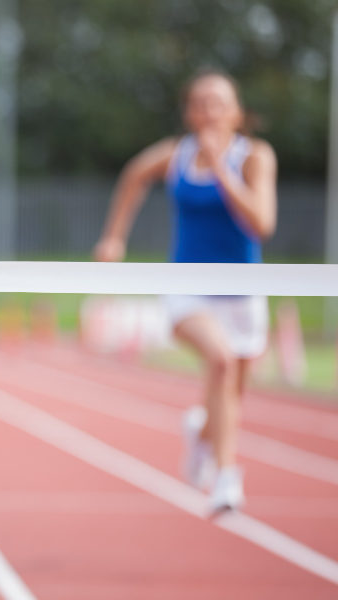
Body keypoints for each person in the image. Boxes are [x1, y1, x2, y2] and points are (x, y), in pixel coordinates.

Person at [94, 70, 277, 513]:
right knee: (221, 360)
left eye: (219, 102)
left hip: (243, 291)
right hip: (187, 288)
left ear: (237, 112)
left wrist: (221, 171)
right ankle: (227, 478)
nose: (209, 110)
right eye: (200, 102)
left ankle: (201, 433)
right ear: (189, 112)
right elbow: (133, 176)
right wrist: (114, 236)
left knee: (230, 393)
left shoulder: (254, 156)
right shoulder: (175, 155)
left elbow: (262, 224)